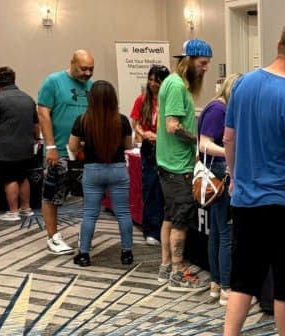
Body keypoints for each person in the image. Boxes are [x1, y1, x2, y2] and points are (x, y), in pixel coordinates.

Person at [221, 20, 285, 336]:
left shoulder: (242, 85)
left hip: (247, 201)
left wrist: (236, 178)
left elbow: (228, 139)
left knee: (243, 279)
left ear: (278, 45)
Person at [156, 38, 213, 291]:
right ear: (188, 60)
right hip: (179, 167)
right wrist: (198, 139)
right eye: (202, 63)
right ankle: (178, 272)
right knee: (180, 221)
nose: (205, 68)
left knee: (169, 217)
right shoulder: (178, 86)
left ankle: (166, 266)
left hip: (169, 165)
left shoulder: (170, 82)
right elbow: (173, 126)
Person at [68, 80, 135, 267]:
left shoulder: (82, 120)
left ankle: (84, 254)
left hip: (92, 170)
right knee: (123, 213)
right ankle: (127, 253)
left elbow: (73, 146)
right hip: (118, 170)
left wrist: (87, 145)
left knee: (90, 214)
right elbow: (128, 146)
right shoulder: (122, 120)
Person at [37, 50, 94, 255]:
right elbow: (43, 113)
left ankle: (85, 233)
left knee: (88, 194)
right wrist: (50, 146)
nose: (88, 73)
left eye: (91, 69)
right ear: (72, 64)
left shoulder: (92, 86)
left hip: (84, 153)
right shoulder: (53, 81)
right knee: (53, 195)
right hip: (59, 151)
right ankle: (53, 237)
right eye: (83, 68)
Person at [197, 72, 241, 305]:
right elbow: (204, 143)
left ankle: (216, 284)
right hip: (220, 174)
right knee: (225, 233)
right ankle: (226, 288)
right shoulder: (219, 110)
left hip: (214, 174)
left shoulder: (215, 107)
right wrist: (230, 152)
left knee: (216, 231)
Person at [0, 66, 38, 221]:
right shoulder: (27, 98)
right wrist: (37, 139)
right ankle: (26, 208)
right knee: (23, 177)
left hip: (6, 149)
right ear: (14, 79)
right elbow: (36, 124)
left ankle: (13, 211)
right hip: (26, 147)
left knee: (9, 178)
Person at [130, 64, 170, 246]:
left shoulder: (169, 99)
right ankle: (152, 230)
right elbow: (135, 122)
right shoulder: (143, 99)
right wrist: (143, 133)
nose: (153, 83)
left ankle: (166, 228)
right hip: (149, 148)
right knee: (151, 188)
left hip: (167, 148)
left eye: (157, 80)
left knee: (166, 191)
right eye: (151, 80)